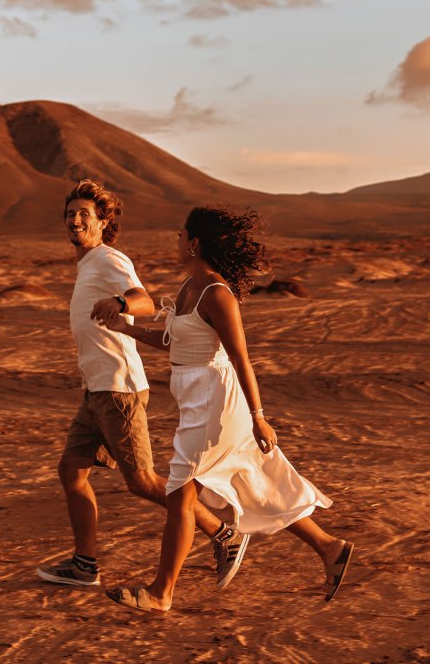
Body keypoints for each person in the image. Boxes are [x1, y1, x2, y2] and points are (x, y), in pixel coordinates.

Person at [102, 206, 354, 614]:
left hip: (216, 403)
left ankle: (161, 591)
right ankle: (330, 548)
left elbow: (241, 358)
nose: (176, 240)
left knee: (180, 495)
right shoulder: (188, 288)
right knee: (257, 483)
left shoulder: (217, 294)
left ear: (196, 243)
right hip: (196, 401)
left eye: (181, 235)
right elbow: (174, 344)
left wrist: (258, 416)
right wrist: (125, 328)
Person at [36, 181, 250, 589]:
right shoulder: (88, 265)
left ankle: (225, 534)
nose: (75, 219)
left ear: (103, 224)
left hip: (119, 390)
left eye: (85, 214)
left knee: (143, 481)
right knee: (72, 470)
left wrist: (120, 305)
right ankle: (85, 565)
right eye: (70, 214)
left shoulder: (108, 259)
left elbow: (144, 301)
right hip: (97, 390)